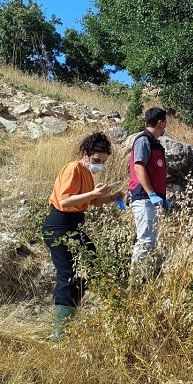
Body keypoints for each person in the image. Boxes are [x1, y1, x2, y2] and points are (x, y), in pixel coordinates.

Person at [42, 131, 124, 340]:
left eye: (103, 162)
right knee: (69, 275)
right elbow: (65, 201)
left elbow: (93, 202)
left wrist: (111, 197)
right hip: (59, 224)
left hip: (73, 225)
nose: (99, 165)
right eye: (97, 160)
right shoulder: (73, 169)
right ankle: (59, 334)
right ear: (85, 153)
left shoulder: (87, 173)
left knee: (90, 265)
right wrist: (93, 194)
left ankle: (70, 320)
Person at [128, 107, 169, 278]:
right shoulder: (143, 140)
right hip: (144, 199)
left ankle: (145, 278)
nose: (166, 126)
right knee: (145, 241)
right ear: (160, 122)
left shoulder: (154, 143)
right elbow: (139, 167)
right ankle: (135, 284)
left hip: (151, 199)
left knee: (150, 241)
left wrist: (161, 197)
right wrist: (151, 194)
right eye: (165, 122)